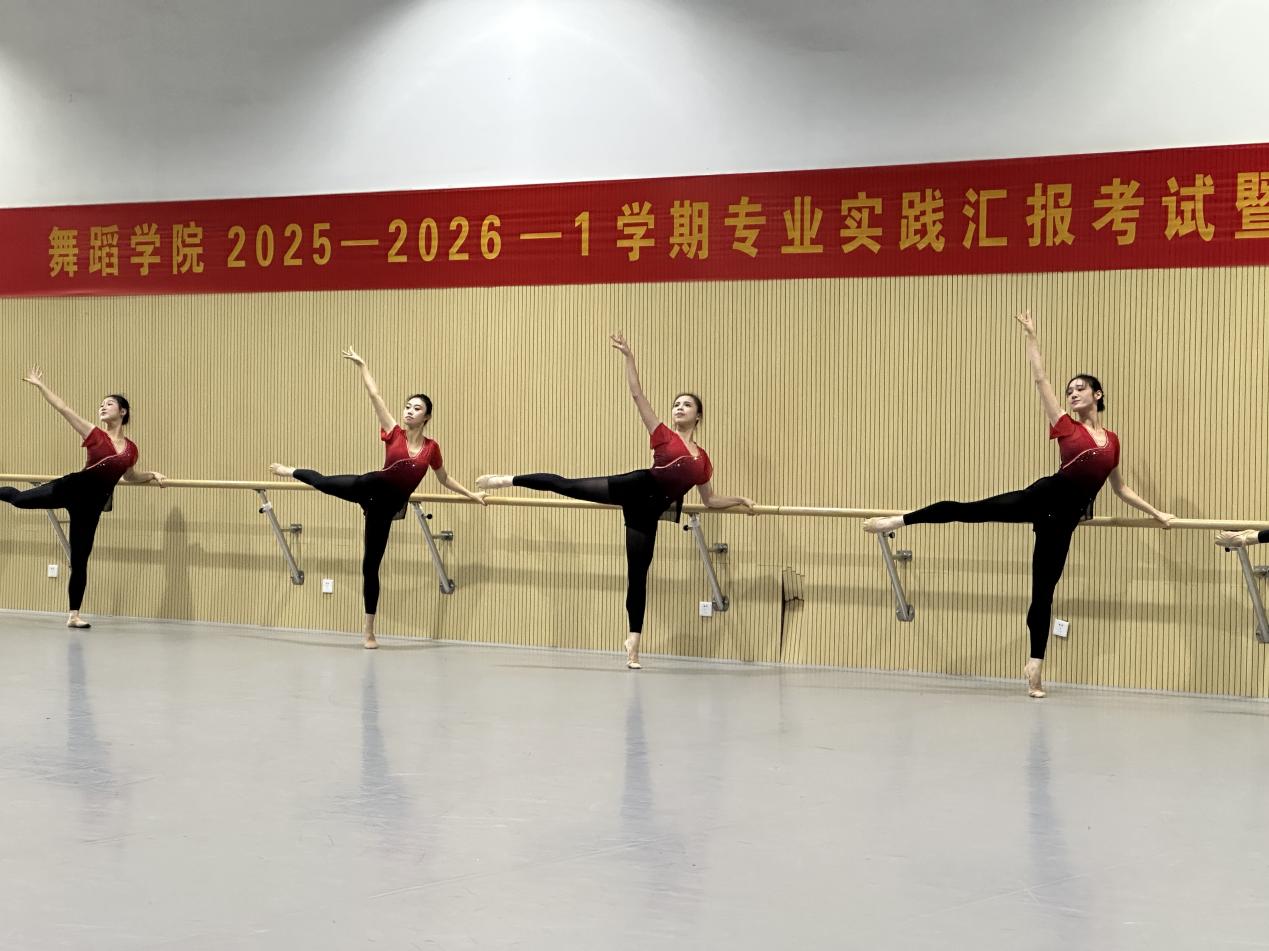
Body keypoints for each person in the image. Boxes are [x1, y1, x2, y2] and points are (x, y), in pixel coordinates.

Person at [864, 311, 1173, 698]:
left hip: (1063, 522)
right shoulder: (1066, 426)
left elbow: (1121, 488)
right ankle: (898, 520)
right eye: (1069, 391)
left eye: (1080, 388)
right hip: (1042, 498)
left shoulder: (1112, 440)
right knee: (968, 510)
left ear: (1098, 394)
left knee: (1043, 591)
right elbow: (1040, 379)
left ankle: (1035, 668)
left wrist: (1158, 513)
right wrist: (1031, 337)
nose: (1072, 394)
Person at [477, 333, 756, 669]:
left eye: (686, 404)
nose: (679, 407)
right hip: (635, 487)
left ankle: (633, 644)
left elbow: (710, 500)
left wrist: (740, 500)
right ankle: (506, 480)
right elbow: (638, 395)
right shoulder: (663, 435)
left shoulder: (704, 460)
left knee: (638, 574)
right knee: (566, 485)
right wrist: (629, 358)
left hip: (648, 511)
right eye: (676, 404)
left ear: (698, 416)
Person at [269, 347, 485, 649]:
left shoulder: (431, 448)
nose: (409, 411)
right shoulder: (393, 432)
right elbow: (375, 396)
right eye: (407, 406)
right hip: (368, 487)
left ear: (427, 417)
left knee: (371, 566)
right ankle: (290, 470)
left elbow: (444, 479)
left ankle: (369, 632)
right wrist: (363, 366)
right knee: (323, 482)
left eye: (416, 408)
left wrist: (472, 495)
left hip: (384, 509)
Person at [0, 368, 166, 627]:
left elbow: (130, 476)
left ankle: (73, 615)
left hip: (91, 507)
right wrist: (40, 386)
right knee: (19, 500)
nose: (103, 407)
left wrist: (152, 474)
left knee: (80, 560)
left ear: (122, 411)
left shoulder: (131, 450)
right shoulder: (94, 434)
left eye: (109, 404)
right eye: (101, 404)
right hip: (70, 488)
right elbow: (63, 408)